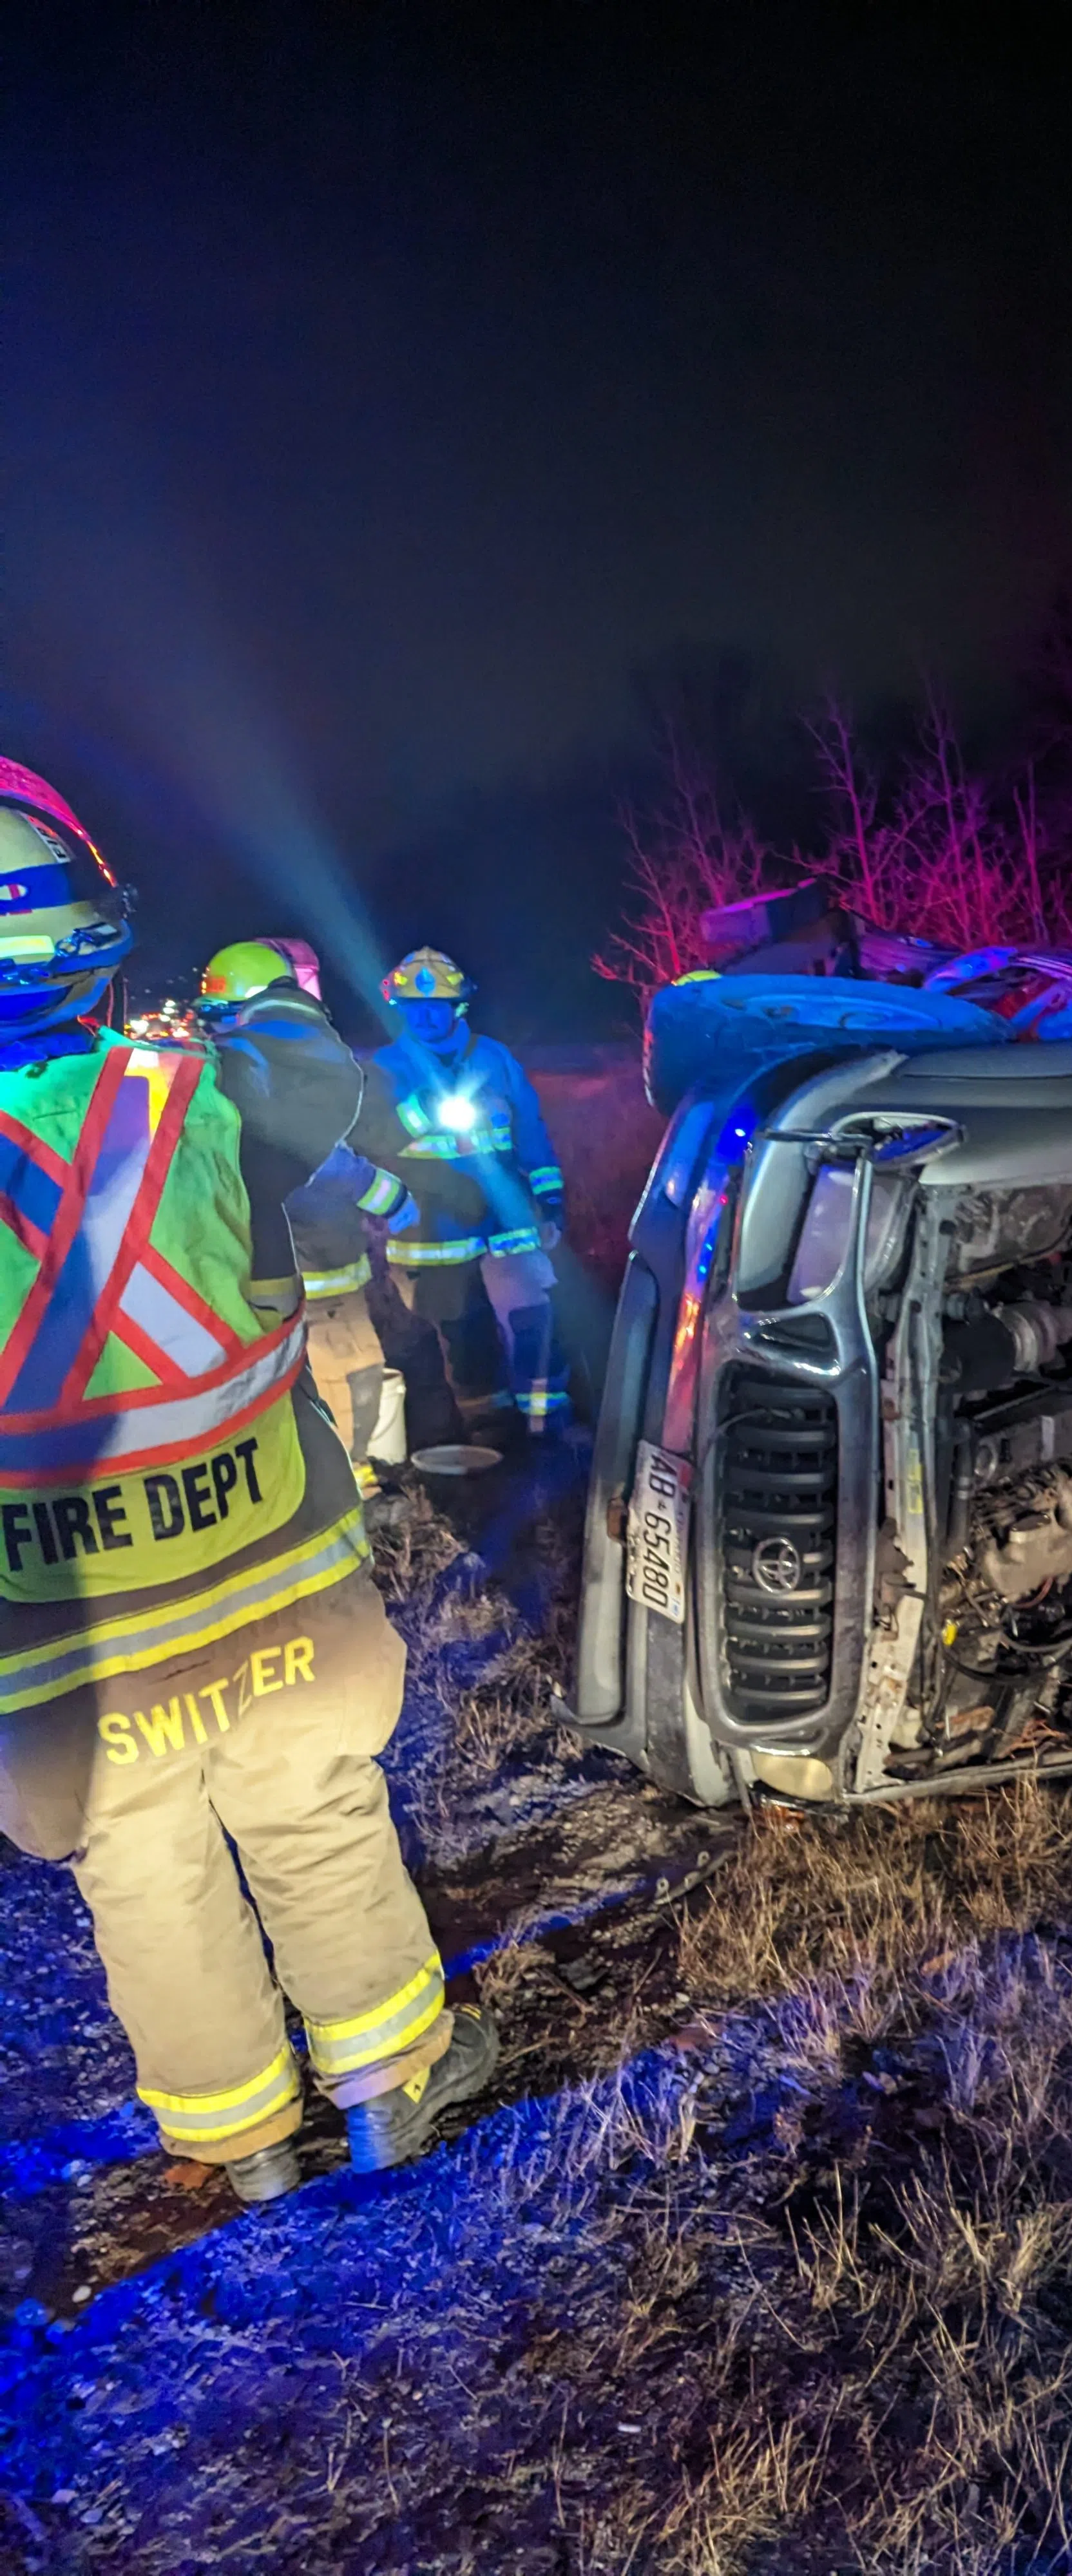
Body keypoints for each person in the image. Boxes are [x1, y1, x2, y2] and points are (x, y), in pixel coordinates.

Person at [0, 762, 497, 2206]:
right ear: (92, 933)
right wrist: (229, 1003)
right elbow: (311, 1052)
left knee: (142, 1875)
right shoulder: (209, 1088)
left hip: (65, 1639)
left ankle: (243, 2142)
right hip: (272, 1576)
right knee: (316, 1817)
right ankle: (392, 2086)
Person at [198, 940, 417, 1509]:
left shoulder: (214, 1066)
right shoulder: (269, 1066)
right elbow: (312, 1153)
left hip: (257, 1269)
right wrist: (387, 1193)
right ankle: (354, 1483)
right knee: (350, 1367)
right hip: (313, 1265)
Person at [367, 947, 571, 1437]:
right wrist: (425, 1107)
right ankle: (490, 1429)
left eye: (437, 1006)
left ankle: (550, 1426)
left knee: (534, 1317)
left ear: (458, 1006)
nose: (427, 1016)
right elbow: (374, 1141)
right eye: (415, 1008)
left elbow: (531, 1134)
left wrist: (551, 1200)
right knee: (464, 1334)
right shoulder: (387, 1067)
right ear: (400, 1009)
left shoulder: (494, 1058)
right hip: (435, 1226)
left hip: (508, 1219)